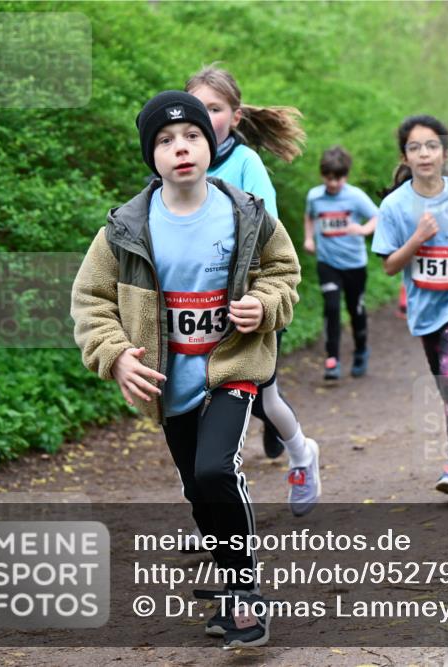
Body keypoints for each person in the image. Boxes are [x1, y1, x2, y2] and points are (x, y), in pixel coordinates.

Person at [71, 91, 302, 646]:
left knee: (215, 471)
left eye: (192, 136)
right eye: (165, 141)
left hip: (231, 365)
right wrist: (117, 353)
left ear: (212, 142)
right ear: (150, 156)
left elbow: (284, 272)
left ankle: (246, 595)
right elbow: (90, 300)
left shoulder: (246, 212)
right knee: (198, 492)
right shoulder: (126, 227)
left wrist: (264, 305)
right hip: (168, 380)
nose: (181, 148)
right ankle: (230, 591)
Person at [186, 67, 320, 507]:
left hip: (250, 306)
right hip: (197, 308)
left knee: (263, 401)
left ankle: (303, 454)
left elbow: (271, 237)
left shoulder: (246, 165)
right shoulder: (178, 164)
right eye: (198, 107)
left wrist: (259, 300)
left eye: (215, 108)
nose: (205, 117)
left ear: (236, 116)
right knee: (199, 411)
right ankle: (213, 515)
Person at [372, 115, 448, 497]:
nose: (424, 153)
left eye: (431, 146)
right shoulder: (395, 205)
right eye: (415, 147)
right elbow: (391, 265)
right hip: (424, 304)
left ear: (444, 153)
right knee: (445, 383)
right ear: (405, 156)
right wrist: (417, 239)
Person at [303, 146, 378, 380]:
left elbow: (378, 215)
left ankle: (361, 351)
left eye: (338, 178)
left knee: (356, 311)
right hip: (328, 263)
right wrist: (308, 237)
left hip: (354, 264)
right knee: (332, 307)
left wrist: (364, 229)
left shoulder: (355, 196)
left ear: (345, 176)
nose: (333, 183)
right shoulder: (315, 196)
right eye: (328, 177)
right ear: (322, 175)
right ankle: (332, 358)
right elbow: (309, 216)